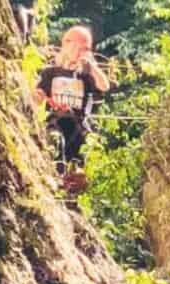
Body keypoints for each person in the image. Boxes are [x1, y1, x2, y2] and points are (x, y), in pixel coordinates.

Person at [34, 26, 110, 190]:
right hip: (55, 122)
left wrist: (92, 65)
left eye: (86, 48)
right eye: (79, 46)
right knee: (55, 139)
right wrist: (38, 96)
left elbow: (104, 86)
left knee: (78, 158)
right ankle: (57, 177)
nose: (81, 51)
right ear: (67, 44)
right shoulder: (51, 73)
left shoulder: (86, 76)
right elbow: (37, 97)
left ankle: (73, 184)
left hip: (78, 126)